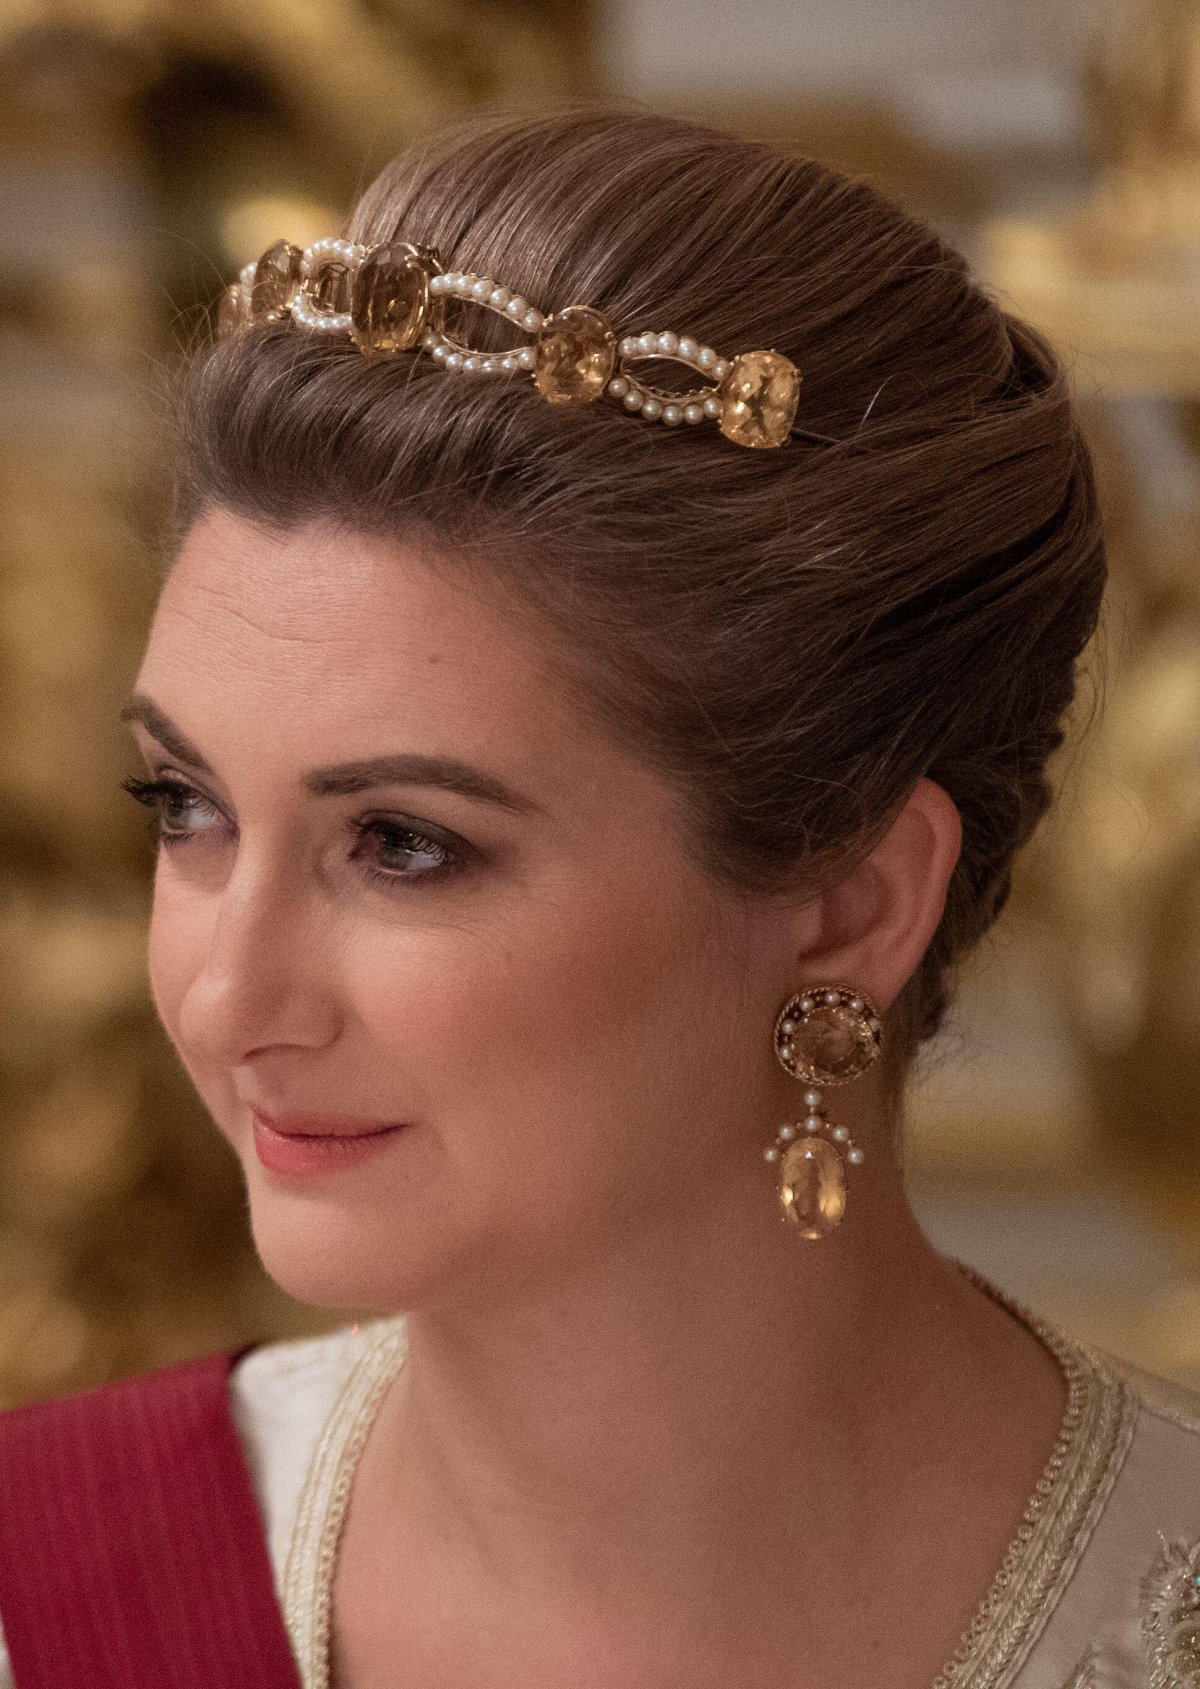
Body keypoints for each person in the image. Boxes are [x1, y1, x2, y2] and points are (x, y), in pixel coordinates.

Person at [0, 101, 1196, 1689]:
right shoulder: (42, 1596)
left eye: (402, 844)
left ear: (851, 901)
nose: (225, 997)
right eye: (188, 808)